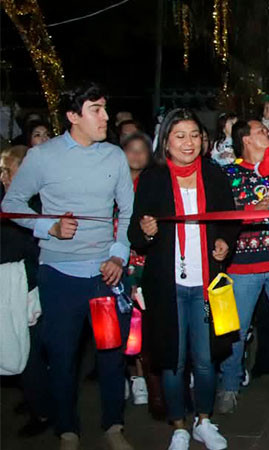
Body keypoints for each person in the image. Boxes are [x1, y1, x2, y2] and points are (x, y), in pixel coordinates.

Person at [2, 81, 135, 450]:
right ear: (73, 116)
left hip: (104, 277)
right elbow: (12, 204)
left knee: (110, 355)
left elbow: (126, 213)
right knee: (62, 357)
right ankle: (67, 430)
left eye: (105, 108)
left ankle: (113, 425)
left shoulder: (113, 156)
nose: (105, 117)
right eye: (96, 109)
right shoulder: (43, 157)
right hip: (59, 277)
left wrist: (117, 256)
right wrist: (50, 227)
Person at [128, 108, 238, 450]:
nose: (188, 143)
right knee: (172, 360)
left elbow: (230, 222)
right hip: (167, 286)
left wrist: (224, 243)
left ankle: (204, 421)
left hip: (207, 286)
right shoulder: (153, 178)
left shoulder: (214, 174)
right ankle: (178, 425)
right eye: (180, 136)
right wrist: (146, 231)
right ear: (166, 142)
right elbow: (134, 231)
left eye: (194, 135)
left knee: (206, 360)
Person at [218, 119, 269, 413]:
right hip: (241, 265)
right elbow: (220, 216)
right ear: (245, 140)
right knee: (234, 331)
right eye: (261, 131)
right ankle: (229, 385)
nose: (268, 134)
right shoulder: (227, 174)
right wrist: (254, 212)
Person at [0, 145, 51, 438]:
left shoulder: (35, 205)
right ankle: (34, 399)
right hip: (14, 285)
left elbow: (30, 247)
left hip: (29, 287)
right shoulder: (10, 198)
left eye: (9, 169)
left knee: (30, 351)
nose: (4, 176)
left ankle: (43, 411)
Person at [120, 131, 154, 408]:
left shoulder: (153, 182)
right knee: (123, 320)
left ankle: (146, 374)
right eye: (131, 149)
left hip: (147, 259)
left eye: (142, 150)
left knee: (145, 319)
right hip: (119, 259)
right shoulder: (113, 184)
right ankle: (131, 376)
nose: (137, 155)